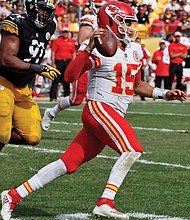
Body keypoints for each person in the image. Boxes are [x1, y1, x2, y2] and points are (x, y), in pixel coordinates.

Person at [1, 2, 186, 220]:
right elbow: (69, 76)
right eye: (125, 22)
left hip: (114, 114)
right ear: (111, 22)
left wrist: (164, 93)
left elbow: (137, 85)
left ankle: (12, 195)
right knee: (132, 149)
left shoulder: (135, 49)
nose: (129, 27)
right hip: (99, 109)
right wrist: (88, 48)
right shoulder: (98, 46)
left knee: (67, 164)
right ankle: (105, 201)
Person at [41, 0, 113, 131]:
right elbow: (83, 40)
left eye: (103, 6)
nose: (101, 9)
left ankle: (101, 126)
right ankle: (51, 112)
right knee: (76, 98)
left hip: (104, 63)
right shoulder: (90, 19)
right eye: (98, 6)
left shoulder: (112, 21)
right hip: (89, 61)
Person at [0, 0, 61, 151]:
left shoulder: (50, 26)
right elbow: (6, 59)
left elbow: (34, 55)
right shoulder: (16, 22)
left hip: (23, 86)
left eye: (49, 11)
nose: (46, 15)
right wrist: (37, 68)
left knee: (33, 137)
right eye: (43, 10)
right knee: (2, 134)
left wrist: (31, 82)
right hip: (4, 80)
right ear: (32, 7)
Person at [49, 26, 76, 102]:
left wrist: (73, 63)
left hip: (68, 61)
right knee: (56, 79)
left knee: (67, 79)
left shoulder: (72, 41)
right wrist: (53, 63)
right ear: (62, 32)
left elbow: (73, 53)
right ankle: (53, 97)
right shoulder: (57, 41)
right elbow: (53, 52)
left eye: (67, 32)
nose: (65, 34)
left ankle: (66, 96)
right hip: (59, 61)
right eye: (64, 32)